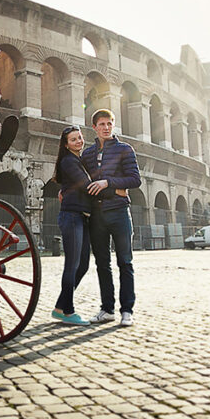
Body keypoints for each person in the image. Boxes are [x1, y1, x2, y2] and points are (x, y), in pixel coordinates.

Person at [81, 109, 142, 326]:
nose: (106, 127)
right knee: (102, 264)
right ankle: (107, 309)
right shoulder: (87, 154)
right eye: (102, 124)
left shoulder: (125, 150)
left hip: (119, 213)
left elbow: (135, 179)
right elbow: (81, 181)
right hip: (96, 215)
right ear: (94, 127)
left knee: (125, 262)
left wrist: (108, 183)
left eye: (109, 123)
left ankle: (127, 311)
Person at [51, 125, 93, 326]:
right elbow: (85, 185)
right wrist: (111, 190)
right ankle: (68, 312)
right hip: (72, 216)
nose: (78, 141)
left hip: (81, 216)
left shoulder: (76, 160)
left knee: (83, 264)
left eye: (80, 137)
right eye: (73, 139)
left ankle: (60, 306)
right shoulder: (69, 161)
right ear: (66, 145)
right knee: (72, 265)